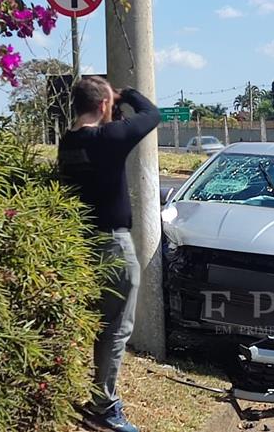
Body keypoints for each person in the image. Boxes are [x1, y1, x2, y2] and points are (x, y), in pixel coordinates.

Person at [58, 76, 160, 432]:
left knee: (98, 324)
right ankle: (104, 406)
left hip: (80, 244)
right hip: (112, 246)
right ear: (103, 105)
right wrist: (126, 94)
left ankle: (96, 397)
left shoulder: (68, 143)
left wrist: (109, 101)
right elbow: (151, 115)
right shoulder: (109, 138)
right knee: (116, 328)